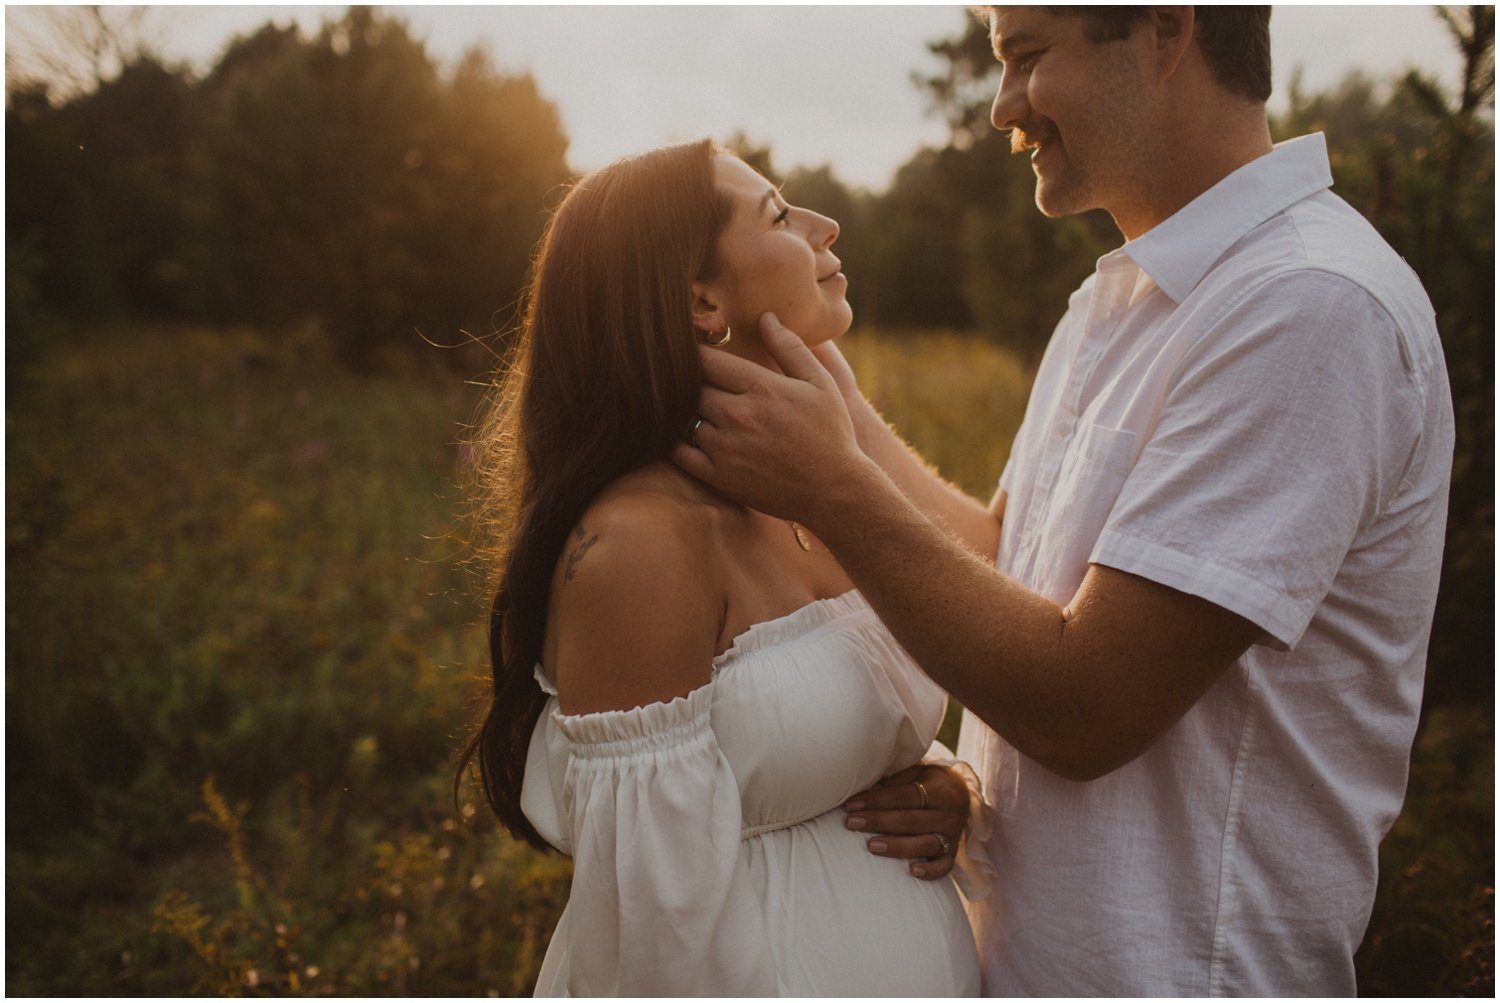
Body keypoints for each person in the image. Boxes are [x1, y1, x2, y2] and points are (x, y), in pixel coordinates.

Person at [674, 7, 1454, 997]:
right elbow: (1008, 563)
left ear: (1164, 33)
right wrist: (826, 391)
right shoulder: (1115, 300)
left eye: (1027, 58)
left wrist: (831, 486)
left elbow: (1089, 703)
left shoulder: (1307, 305)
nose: (1005, 108)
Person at [458, 139, 985, 996]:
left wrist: (950, 792)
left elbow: (835, 719)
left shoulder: (815, 483)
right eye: (780, 214)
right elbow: (659, 942)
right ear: (703, 301)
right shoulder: (640, 545)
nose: (824, 224)